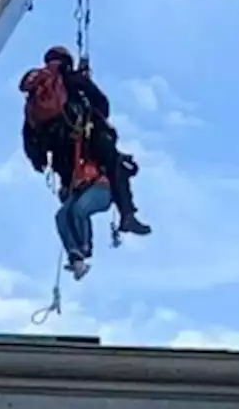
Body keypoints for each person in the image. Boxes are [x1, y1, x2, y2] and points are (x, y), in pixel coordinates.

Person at [20, 46, 152, 236]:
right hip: (85, 139)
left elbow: (28, 130)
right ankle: (127, 215)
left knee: (71, 189)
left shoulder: (36, 94)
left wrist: (37, 159)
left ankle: (77, 245)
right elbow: (102, 104)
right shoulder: (72, 79)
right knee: (115, 164)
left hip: (58, 152)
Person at [53, 128, 114, 280]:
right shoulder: (71, 154)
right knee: (62, 215)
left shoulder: (97, 144)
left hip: (100, 187)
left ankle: (84, 246)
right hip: (80, 189)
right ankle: (76, 255)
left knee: (79, 210)